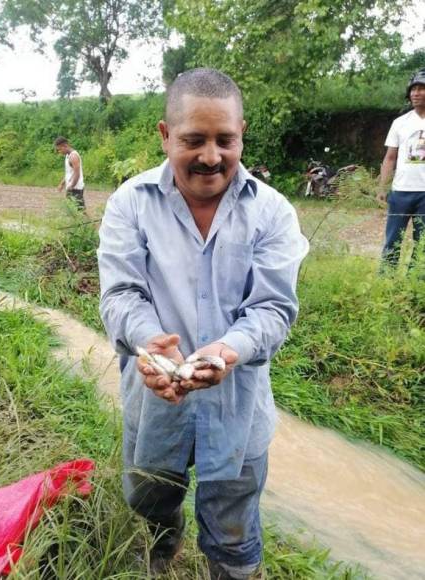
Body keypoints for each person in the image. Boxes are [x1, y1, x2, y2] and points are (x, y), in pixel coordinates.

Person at [98, 68, 309, 579]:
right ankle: (162, 554)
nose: (211, 157)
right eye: (194, 140)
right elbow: (121, 293)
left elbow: (273, 308)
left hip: (237, 410)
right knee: (151, 511)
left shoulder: (272, 212)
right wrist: (149, 344)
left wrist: (229, 349)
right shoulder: (131, 203)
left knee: (235, 543)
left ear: (241, 134)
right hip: (153, 403)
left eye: (225, 140)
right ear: (165, 135)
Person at [377, 68, 425, 269]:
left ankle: (416, 287)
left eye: (421, 88)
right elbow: (390, 158)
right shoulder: (400, 123)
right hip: (401, 192)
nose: (415, 93)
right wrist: (383, 187)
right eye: (413, 89)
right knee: (392, 241)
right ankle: (386, 283)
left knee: (422, 245)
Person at [54, 136, 85, 210]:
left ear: (65, 146)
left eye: (60, 149)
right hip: (71, 188)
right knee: (72, 211)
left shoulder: (73, 156)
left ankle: (92, 222)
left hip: (76, 188)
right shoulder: (68, 156)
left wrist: (71, 187)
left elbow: (77, 174)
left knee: (80, 211)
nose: (59, 152)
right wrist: (62, 184)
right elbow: (69, 173)